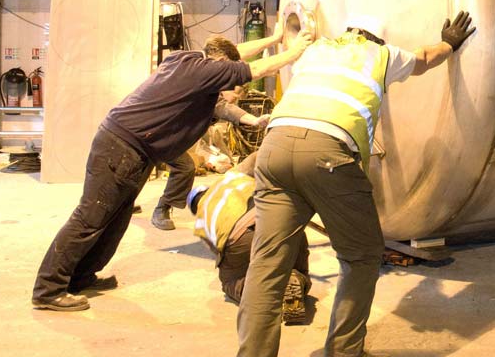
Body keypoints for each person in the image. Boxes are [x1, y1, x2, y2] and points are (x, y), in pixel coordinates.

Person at [234, 11, 476, 357]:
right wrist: (449, 42)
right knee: (362, 255)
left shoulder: (314, 52)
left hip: (274, 149)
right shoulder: (381, 55)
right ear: (375, 38)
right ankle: (344, 355)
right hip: (328, 154)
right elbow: (425, 58)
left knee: (266, 268)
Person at [31, 24, 314, 312]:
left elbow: (236, 60)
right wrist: (295, 51)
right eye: (228, 75)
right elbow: (254, 69)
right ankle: (48, 288)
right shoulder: (202, 71)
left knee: (115, 218)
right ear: (218, 64)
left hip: (136, 152)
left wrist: (276, 39)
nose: (230, 86)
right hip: (121, 147)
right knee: (90, 217)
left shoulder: (191, 65)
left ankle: (81, 277)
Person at [187, 153, 311, 323]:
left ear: (195, 207)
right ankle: (297, 277)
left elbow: (222, 254)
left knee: (230, 279)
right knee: (296, 258)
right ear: (206, 189)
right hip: (283, 219)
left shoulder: (201, 220)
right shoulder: (230, 178)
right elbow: (258, 157)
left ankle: (267, 293)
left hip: (243, 234)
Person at [151, 89, 271, 231]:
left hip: (166, 137)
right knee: (184, 166)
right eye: (235, 92)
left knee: (146, 169)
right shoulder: (208, 92)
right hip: (155, 132)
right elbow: (224, 108)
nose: (236, 97)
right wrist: (255, 120)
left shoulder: (207, 96)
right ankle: (161, 209)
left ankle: (126, 203)